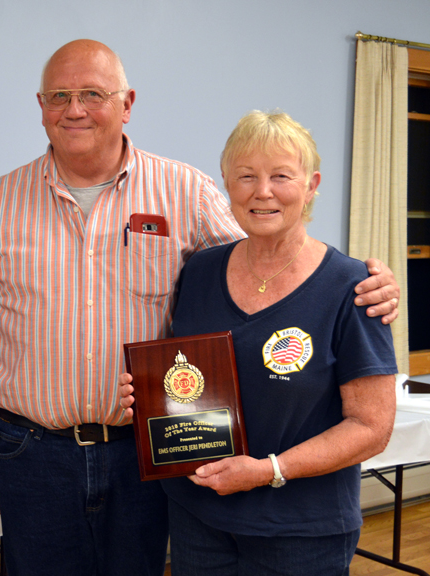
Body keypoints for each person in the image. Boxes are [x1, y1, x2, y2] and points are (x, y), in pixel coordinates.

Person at [0, 39, 399, 576]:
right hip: (33, 453)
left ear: (126, 102)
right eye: (59, 96)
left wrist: (367, 282)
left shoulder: (184, 190)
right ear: (41, 105)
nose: (75, 109)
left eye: (93, 93)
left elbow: (270, 248)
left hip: (147, 456)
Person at [119, 110, 397, 576]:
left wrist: (270, 470)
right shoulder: (200, 271)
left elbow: (372, 427)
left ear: (311, 185)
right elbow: (187, 376)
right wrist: (150, 398)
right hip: (198, 516)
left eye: (281, 176)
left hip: (300, 531)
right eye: (246, 176)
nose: (262, 191)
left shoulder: (353, 287)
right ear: (227, 184)